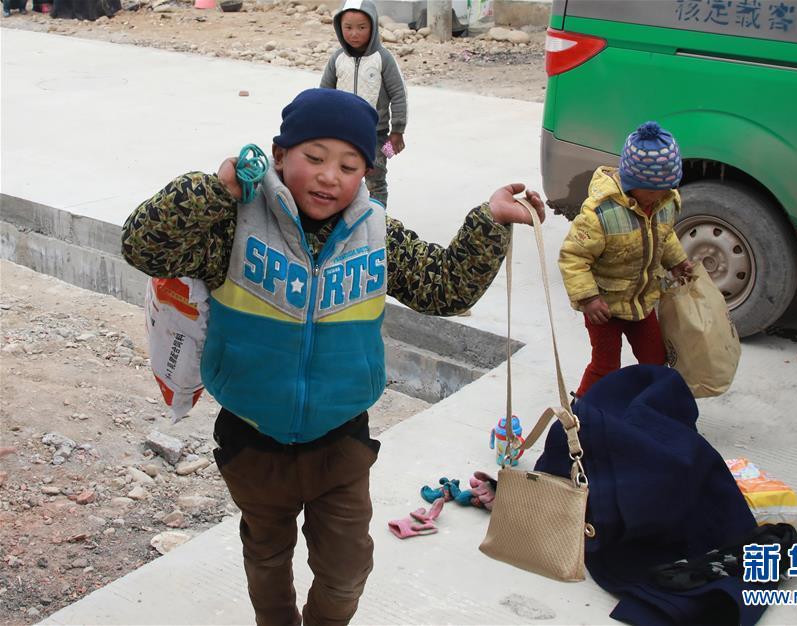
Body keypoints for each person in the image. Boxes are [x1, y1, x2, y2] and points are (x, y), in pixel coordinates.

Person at [121, 87, 544, 626]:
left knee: (346, 570)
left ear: (366, 174)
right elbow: (143, 246)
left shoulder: (376, 233)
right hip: (252, 438)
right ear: (279, 156)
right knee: (267, 557)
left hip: (341, 441)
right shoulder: (233, 225)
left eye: (349, 165)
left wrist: (489, 221)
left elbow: (446, 289)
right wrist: (216, 189)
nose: (329, 176)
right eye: (314, 158)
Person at [558, 121, 693, 402]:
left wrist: (677, 262)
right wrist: (588, 299)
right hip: (604, 308)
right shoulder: (600, 214)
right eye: (652, 190)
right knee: (605, 366)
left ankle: (649, 406)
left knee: (656, 360)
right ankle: (582, 412)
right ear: (632, 183)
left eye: (666, 189)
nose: (659, 196)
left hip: (642, 302)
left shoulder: (665, 202)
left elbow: (664, 236)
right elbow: (573, 257)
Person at [320, 0, 407, 208]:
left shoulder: (382, 58)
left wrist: (398, 130)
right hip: (341, 134)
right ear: (339, 28)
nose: (354, 34)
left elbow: (398, 95)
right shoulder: (337, 59)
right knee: (341, 177)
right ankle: (344, 217)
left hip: (375, 135)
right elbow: (323, 94)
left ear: (373, 27)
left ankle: (377, 221)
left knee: (376, 177)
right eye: (348, 28)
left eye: (362, 28)